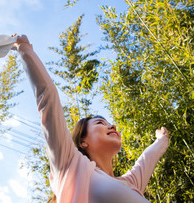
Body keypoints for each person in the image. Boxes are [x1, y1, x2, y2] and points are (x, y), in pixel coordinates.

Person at [12, 35, 170, 203]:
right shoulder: (71, 164)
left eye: (109, 123)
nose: (112, 125)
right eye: (101, 123)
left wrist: (162, 139)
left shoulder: (131, 182)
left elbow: (147, 159)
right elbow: (48, 97)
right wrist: (24, 48)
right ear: (83, 142)